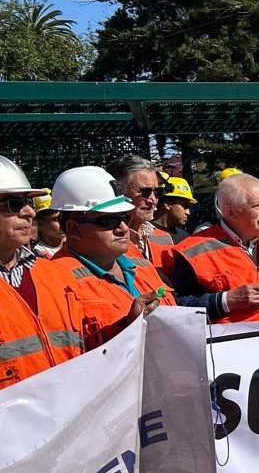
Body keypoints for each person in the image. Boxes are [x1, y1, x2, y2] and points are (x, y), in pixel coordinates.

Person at [50, 166, 172, 349]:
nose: (123, 228)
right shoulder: (57, 281)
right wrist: (127, 326)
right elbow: (66, 354)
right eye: (108, 221)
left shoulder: (139, 261)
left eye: (124, 217)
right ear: (74, 229)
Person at [172, 174, 259, 323]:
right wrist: (226, 300)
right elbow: (179, 306)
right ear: (231, 212)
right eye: (258, 205)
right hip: (231, 337)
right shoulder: (193, 251)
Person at [0, 156, 85, 389]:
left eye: (29, 202)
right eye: (15, 203)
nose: (30, 212)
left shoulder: (56, 274)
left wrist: (128, 324)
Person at [107, 155, 176, 278]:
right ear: (116, 191)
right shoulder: (104, 242)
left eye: (157, 192)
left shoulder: (164, 237)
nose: (153, 200)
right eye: (145, 192)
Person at [153, 176, 196, 243]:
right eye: (184, 206)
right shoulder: (144, 233)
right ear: (167, 204)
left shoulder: (184, 238)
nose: (188, 212)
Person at [31, 191, 64, 259]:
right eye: (56, 219)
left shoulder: (75, 242)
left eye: (63, 217)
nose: (62, 222)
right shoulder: (38, 253)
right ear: (40, 225)